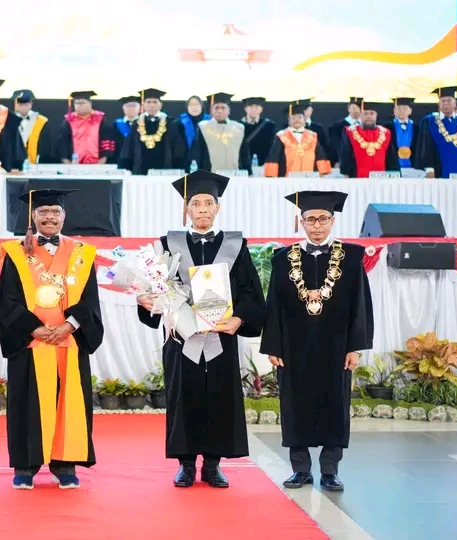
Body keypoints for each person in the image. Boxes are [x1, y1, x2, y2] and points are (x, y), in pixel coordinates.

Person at [136, 170, 266, 488]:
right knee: (185, 395)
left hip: (221, 336)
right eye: (196, 203)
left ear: (217, 208)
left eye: (209, 203)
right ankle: (185, 465)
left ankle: (212, 465)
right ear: (187, 209)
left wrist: (239, 319)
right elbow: (156, 287)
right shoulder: (168, 245)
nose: (203, 209)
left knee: (219, 398)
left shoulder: (235, 245)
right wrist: (146, 299)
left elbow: (250, 292)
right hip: (182, 338)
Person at [260, 190, 374, 492]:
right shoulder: (283, 259)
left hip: (336, 346)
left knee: (335, 405)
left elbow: (360, 303)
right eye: (311, 219)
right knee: (294, 405)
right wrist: (273, 346)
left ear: (333, 221)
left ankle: (330, 470)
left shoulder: (351, 257)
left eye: (323, 219)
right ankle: (300, 469)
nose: (317, 225)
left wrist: (355, 347)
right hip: (294, 347)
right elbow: (274, 304)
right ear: (301, 222)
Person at [0, 188, 103, 490]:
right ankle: (26, 466)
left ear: (64, 216)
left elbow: (90, 299)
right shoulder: (16, 252)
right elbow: (7, 298)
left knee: (68, 401)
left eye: (55, 212)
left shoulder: (82, 253)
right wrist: (33, 328)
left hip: (69, 341)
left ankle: (65, 464)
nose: (49, 217)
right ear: (33, 216)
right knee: (26, 403)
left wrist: (70, 325)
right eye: (43, 212)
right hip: (30, 343)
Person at [417, 87, 457, 178]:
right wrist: (429, 170)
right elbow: (426, 147)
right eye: (443, 101)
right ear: (439, 104)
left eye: (449, 100)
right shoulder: (429, 121)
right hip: (438, 173)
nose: (445, 103)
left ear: (455, 103)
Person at [119, 88, 185, 174]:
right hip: (140, 171)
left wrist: (177, 169)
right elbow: (129, 148)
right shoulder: (136, 124)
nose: (151, 105)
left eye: (155, 102)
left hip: (165, 171)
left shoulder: (170, 123)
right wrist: (126, 168)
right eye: (148, 102)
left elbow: (177, 148)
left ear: (160, 105)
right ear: (143, 105)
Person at [264, 101, 332, 177]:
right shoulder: (281, 136)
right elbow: (274, 156)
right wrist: (272, 176)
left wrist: (322, 172)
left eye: (300, 117)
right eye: (293, 118)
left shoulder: (312, 136)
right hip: (287, 178)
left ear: (304, 119)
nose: (297, 120)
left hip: (310, 177)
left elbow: (320, 155)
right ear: (289, 120)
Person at [191, 92, 252, 174]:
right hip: (210, 174)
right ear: (212, 110)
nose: (220, 111)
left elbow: (244, 153)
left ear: (229, 110)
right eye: (216, 108)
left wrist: (249, 172)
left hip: (235, 174)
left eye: (223, 108)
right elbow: (198, 153)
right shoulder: (203, 127)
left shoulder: (239, 128)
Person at [339, 102, 400, 178]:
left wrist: (394, 173)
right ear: (360, 115)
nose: (369, 116)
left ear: (376, 115)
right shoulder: (350, 131)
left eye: (372, 113)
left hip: (382, 177)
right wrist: (345, 172)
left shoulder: (386, 133)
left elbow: (391, 156)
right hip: (356, 176)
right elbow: (345, 153)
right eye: (365, 113)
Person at [55, 91, 116, 164]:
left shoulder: (100, 119)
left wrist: (101, 162)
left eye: (82, 103)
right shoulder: (69, 120)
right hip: (74, 164)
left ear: (90, 104)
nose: (78, 106)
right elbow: (62, 143)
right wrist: (68, 163)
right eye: (76, 103)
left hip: (98, 164)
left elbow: (106, 141)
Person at [12, 89, 55, 164]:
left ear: (31, 105)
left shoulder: (41, 121)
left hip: (35, 163)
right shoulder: (10, 120)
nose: (23, 107)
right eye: (20, 105)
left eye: (26, 105)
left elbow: (45, 146)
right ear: (16, 105)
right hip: (14, 163)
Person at [382, 98, 418, 170]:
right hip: (392, 165)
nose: (402, 111)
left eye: (404, 108)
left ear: (410, 111)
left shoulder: (417, 128)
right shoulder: (386, 127)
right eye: (399, 108)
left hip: (413, 166)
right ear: (394, 111)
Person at [239, 96, 276, 165]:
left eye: (256, 107)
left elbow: (271, 147)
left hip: (263, 163)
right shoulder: (238, 126)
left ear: (261, 109)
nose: (253, 109)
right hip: (243, 163)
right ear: (245, 109)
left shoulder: (269, 125)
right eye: (250, 106)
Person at [328, 97, 363, 165]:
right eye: (354, 108)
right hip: (345, 161)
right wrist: (337, 160)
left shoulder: (366, 126)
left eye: (359, 108)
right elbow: (335, 145)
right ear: (348, 109)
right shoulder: (338, 126)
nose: (356, 110)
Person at [112, 95, 141, 163]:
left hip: (141, 160)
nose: (131, 108)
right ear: (123, 108)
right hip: (120, 159)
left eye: (134, 105)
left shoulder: (145, 123)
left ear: (140, 108)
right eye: (128, 106)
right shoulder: (116, 124)